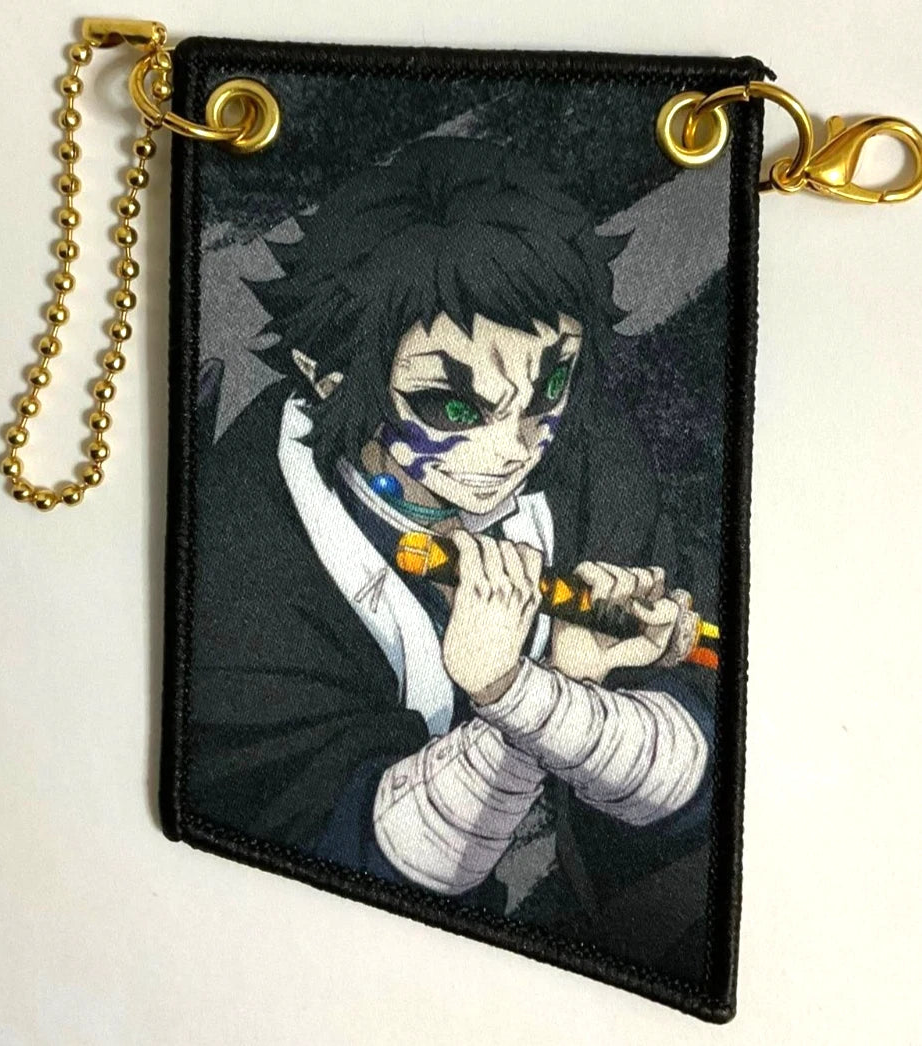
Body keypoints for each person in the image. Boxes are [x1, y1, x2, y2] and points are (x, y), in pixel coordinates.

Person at [188, 137, 715, 976]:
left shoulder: (587, 453)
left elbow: (690, 775)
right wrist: (516, 694)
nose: (517, 446)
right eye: (454, 406)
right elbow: (354, 860)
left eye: (548, 385)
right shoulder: (248, 550)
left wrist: (564, 683)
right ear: (328, 378)